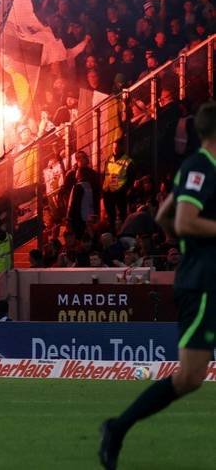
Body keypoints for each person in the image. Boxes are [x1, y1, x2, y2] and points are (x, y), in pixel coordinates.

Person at [100, 101, 216, 469]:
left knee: (192, 376)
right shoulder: (201, 167)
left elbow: (164, 215)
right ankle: (117, 428)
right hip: (203, 283)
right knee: (191, 376)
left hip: (204, 275)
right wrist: (193, 248)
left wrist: (186, 245)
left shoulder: (197, 168)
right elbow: (182, 219)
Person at [102, 141, 134, 228]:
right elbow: (104, 174)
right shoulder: (109, 159)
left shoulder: (127, 161)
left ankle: (122, 231)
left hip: (120, 192)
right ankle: (112, 231)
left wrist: (125, 190)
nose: (115, 149)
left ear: (122, 148)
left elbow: (131, 178)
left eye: (117, 148)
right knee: (110, 216)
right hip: (108, 192)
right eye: (114, 148)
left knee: (122, 215)